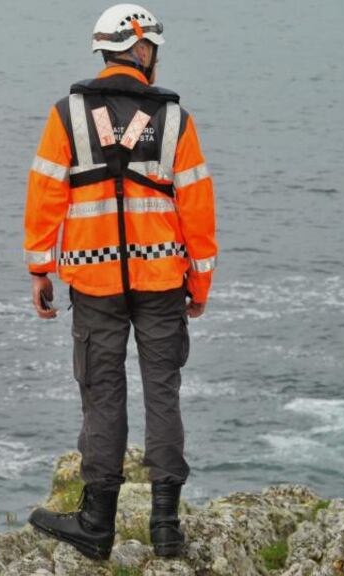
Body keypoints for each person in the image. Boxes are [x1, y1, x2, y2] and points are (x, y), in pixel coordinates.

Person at [23, 4, 217, 561]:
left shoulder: (66, 115)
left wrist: (40, 269)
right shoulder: (176, 120)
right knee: (164, 392)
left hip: (95, 282)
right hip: (162, 280)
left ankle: (95, 522)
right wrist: (199, 284)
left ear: (102, 51)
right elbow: (197, 210)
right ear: (143, 49)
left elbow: (45, 196)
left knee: (101, 394)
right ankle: (165, 527)